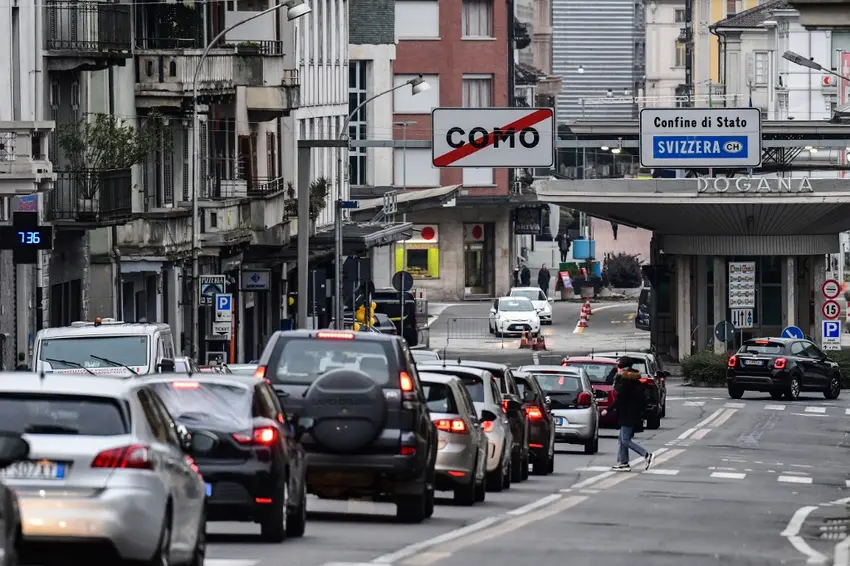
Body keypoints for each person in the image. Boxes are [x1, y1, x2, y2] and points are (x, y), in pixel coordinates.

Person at [610, 357, 654, 472]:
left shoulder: (626, 382)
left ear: (623, 368)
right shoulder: (634, 380)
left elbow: (620, 398)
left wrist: (608, 409)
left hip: (627, 414)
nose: (618, 370)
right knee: (622, 439)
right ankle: (623, 462)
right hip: (631, 413)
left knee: (625, 440)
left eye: (619, 367)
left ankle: (646, 454)